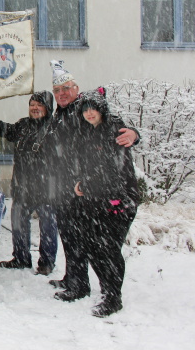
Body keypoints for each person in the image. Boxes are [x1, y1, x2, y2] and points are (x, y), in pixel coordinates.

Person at [46, 60, 140, 303]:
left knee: (79, 238)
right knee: (69, 237)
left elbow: (111, 125)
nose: (61, 93)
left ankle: (79, 286)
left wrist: (134, 134)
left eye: (66, 88)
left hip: (81, 189)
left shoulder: (83, 109)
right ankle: (72, 277)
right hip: (64, 186)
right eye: (57, 90)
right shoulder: (59, 114)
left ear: (75, 89)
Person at [73, 89, 140, 317]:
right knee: (94, 249)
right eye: (85, 109)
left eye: (93, 108)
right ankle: (107, 291)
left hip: (119, 201)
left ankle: (113, 297)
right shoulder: (88, 132)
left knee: (109, 249)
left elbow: (111, 169)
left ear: (102, 109)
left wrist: (135, 135)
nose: (89, 113)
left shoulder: (113, 127)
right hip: (97, 200)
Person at [0, 91, 58, 276]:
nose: (35, 108)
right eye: (32, 104)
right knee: (18, 223)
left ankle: (47, 262)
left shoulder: (55, 128)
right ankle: (21, 258)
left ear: (48, 107)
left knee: (47, 226)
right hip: (22, 185)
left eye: (39, 105)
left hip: (46, 187)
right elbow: (4, 130)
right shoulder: (22, 125)